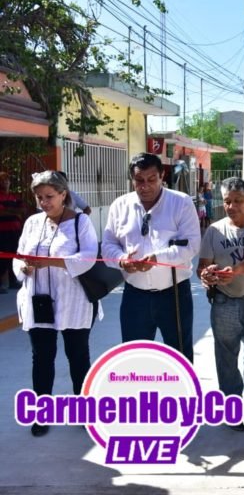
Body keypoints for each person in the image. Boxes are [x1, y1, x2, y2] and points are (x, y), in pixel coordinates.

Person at [13, 171, 98, 437]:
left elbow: (88, 258)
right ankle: (42, 413)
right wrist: (24, 267)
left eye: (49, 197)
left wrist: (50, 262)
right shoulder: (32, 222)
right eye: (39, 197)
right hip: (39, 301)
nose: (44, 202)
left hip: (73, 301)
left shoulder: (80, 223)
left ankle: (82, 412)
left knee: (78, 357)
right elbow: (18, 255)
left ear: (64, 194)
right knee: (42, 359)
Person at [102, 153, 201, 362]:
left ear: (162, 176)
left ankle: (182, 395)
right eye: (139, 181)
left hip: (174, 293)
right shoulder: (120, 206)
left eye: (151, 180)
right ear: (132, 179)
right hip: (134, 296)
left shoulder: (181, 203)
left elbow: (191, 245)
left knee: (180, 358)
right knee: (134, 358)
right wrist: (121, 259)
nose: (145, 186)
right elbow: (108, 246)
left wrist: (157, 258)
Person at [197, 177, 244, 431]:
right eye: (227, 201)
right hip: (224, 301)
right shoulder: (214, 230)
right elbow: (203, 266)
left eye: (238, 201)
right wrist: (207, 275)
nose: (232, 206)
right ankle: (232, 406)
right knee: (226, 356)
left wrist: (235, 271)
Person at [0, 171, 26, 293]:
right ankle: (3, 284)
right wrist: (15, 211)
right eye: (2, 180)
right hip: (2, 231)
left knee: (14, 255)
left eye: (6, 180)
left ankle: (13, 281)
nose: (4, 182)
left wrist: (9, 210)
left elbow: (23, 210)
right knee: (3, 257)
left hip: (15, 230)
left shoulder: (15, 197)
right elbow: (1, 212)